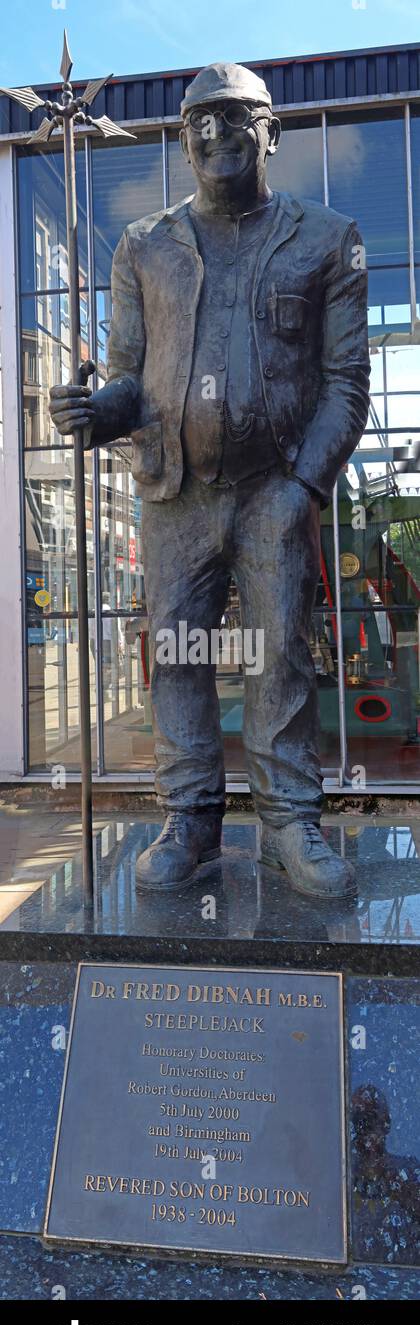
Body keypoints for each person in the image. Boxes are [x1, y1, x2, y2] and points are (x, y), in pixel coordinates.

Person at [49, 62, 370, 897]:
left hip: (276, 487)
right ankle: (190, 816)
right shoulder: (143, 245)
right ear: (183, 139)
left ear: (271, 133)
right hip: (175, 496)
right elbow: (128, 377)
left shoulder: (327, 240)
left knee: (281, 658)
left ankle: (291, 820)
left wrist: (304, 486)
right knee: (180, 658)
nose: (214, 135)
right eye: (198, 122)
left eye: (234, 119)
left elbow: (345, 384)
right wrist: (98, 411)